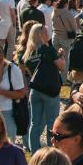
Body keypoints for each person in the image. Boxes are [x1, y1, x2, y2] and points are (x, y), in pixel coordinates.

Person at [23, 23, 65, 153]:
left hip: (35, 90)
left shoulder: (28, 53)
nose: (48, 34)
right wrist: (61, 55)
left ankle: (33, 150)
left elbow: (29, 72)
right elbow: (61, 66)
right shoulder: (48, 48)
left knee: (34, 123)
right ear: (40, 35)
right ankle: (51, 151)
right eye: (46, 32)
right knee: (52, 122)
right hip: (50, 90)